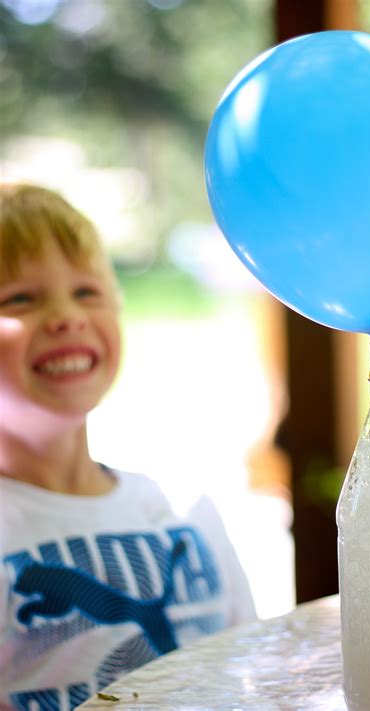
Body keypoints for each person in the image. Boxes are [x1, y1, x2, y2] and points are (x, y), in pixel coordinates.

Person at [0, 184, 256, 711]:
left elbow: (252, 669)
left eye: (87, 292)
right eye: (20, 298)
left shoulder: (185, 507)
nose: (67, 316)